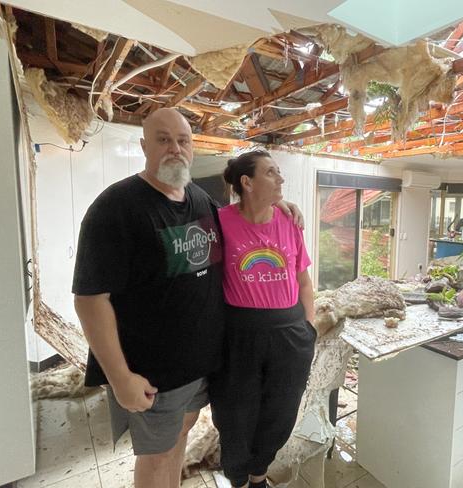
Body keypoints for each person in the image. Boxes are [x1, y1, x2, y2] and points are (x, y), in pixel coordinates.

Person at [72, 109, 301, 488]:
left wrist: (278, 207)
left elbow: (245, 217)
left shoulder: (200, 200)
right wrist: (119, 376)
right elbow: (90, 299)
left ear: (193, 148)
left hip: (198, 368)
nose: (175, 148)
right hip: (151, 373)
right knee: (157, 458)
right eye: (163, 140)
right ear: (144, 146)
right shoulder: (116, 208)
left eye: (183, 140)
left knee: (178, 444)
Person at [210, 150, 317, 488]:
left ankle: (259, 476)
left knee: (281, 412)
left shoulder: (290, 221)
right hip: (238, 334)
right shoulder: (219, 222)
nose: (281, 179)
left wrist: (309, 329)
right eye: (271, 173)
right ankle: (238, 479)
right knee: (234, 414)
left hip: (289, 333)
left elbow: (303, 281)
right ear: (247, 182)